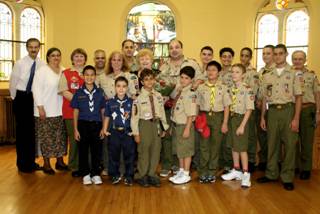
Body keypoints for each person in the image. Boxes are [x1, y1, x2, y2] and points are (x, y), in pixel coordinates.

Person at [257, 44, 303, 191]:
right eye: (275, 54)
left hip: (288, 110)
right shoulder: (267, 75)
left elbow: (299, 97)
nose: (277, 56)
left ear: (286, 54)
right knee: (272, 144)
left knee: (289, 145)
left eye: (280, 54)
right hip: (272, 112)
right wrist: (263, 117)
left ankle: (287, 177)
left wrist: (296, 118)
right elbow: (264, 98)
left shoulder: (294, 73)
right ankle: (271, 174)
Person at [158, 39, 202, 178]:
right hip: (168, 105)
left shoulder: (191, 63)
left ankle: (180, 167)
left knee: (183, 137)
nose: (174, 50)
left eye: (177, 47)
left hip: (185, 105)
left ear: (182, 48)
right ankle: (166, 164)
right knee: (168, 136)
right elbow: (159, 83)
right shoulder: (163, 66)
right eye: (171, 48)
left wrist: (193, 87)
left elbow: (201, 79)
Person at [9, 38, 45, 173]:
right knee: (22, 133)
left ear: (39, 48)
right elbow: (13, 82)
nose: (34, 49)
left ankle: (31, 162)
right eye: (31, 47)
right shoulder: (20, 63)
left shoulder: (42, 64)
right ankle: (22, 164)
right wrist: (15, 99)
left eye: (36, 47)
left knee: (31, 132)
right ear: (27, 48)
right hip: (22, 97)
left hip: (34, 98)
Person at [32, 47, 68, 175]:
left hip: (60, 110)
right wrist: (40, 107)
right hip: (45, 110)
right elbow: (36, 90)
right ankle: (46, 163)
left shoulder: (64, 70)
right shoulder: (42, 71)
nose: (56, 58)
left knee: (60, 138)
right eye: (53, 55)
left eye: (58, 55)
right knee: (46, 138)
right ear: (48, 57)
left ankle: (60, 161)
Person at [131, 68, 168, 187]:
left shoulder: (158, 95)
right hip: (144, 125)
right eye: (146, 80)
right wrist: (136, 133)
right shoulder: (138, 98)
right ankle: (142, 175)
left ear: (154, 80)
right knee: (144, 150)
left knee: (156, 150)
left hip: (156, 124)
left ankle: (152, 174)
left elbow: (161, 112)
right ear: (141, 82)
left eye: (151, 79)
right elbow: (134, 118)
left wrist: (164, 127)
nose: (149, 82)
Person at [196, 61, 231, 183]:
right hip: (204, 117)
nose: (211, 72)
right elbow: (197, 105)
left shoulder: (224, 87)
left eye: (214, 70)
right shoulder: (201, 87)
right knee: (204, 145)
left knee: (215, 145)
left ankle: (212, 171)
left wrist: (225, 123)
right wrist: (197, 120)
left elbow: (227, 106)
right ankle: (203, 171)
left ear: (219, 73)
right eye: (209, 69)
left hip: (218, 117)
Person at [221, 63, 254, 188]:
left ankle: (246, 174)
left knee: (242, 148)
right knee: (234, 146)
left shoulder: (247, 89)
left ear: (243, 75)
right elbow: (228, 106)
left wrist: (242, 126)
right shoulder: (230, 88)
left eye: (237, 72)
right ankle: (236, 170)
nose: (234, 74)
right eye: (232, 72)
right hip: (232, 119)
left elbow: (249, 109)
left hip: (241, 119)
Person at [71, 65, 105, 185]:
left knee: (96, 150)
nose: (89, 77)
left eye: (92, 75)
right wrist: (75, 129)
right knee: (83, 150)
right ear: (83, 76)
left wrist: (103, 128)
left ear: (95, 76)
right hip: (83, 125)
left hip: (97, 124)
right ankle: (85, 173)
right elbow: (75, 111)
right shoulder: (78, 93)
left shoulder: (100, 92)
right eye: (87, 75)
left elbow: (102, 110)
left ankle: (95, 173)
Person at [292, 50, 320, 180]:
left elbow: (317, 94)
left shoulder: (311, 76)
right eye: (295, 59)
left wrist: (318, 112)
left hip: (308, 109)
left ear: (305, 60)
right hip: (292, 110)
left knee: (307, 141)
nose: (297, 61)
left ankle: (306, 168)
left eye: (300, 59)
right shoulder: (288, 75)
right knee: (292, 141)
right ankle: (295, 166)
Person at [58, 48, 86, 177]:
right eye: (76, 56)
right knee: (74, 139)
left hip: (87, 113)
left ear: (85, 59)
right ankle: (74, 165)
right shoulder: (66, 73)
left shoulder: (89, 72)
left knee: (86, 139)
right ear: (72, 59)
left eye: (81, 56)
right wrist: (79, 101)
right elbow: (64, 90)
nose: (79, 59)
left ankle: (86, 164)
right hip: (70, 111)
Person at [102, 76, 135, 186]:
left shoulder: (132, 102)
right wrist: (105, 129)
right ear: (115, 87)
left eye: (124, 86)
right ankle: (114, 175)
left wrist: (134, 131)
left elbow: (135, 118)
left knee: (129, 155)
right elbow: (107, 116)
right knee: (113, 155)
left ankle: (129, 176)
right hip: (114, 132)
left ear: (127, 88)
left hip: (128, 132)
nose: (121, 89)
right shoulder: (110, 102)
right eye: (118, 86)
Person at [169, 66, 197, 185]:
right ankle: (181, 170)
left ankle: (186, 173)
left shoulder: (190, 93)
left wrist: (187, 128)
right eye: (182, 77)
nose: (183, 80)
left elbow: (191, 113)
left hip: (185, 125)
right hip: (177, 124)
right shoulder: (182, 91)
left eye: (186, 78)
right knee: (180, 150)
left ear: (191, 80)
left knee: (186, 151)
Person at [240, 47, 259, 172]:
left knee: (251, 134)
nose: (244, 58)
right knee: (239, 135)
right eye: (242, 55)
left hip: (248, 108)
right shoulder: (235, 70)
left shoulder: (253, 73)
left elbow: (254, 91)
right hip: (236, 108)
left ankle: (251, 160)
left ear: (250, 57)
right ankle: (240, 162)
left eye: (247, 56)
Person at [256, 45, 275, 171]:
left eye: (268, 53)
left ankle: (272, 162)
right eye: (263, 53)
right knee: (262, 135)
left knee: (273, 137)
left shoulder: (276, 71)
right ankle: (263, 160)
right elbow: (259, 89)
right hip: (260, 106)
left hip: (272, 107)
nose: (265, 56)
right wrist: (258, 100)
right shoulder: (261, 71)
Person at [218, 47, 235, 172]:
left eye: (229, 56)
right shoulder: (216, 72)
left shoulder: (235, 72)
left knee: (229, 138)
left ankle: (229, 164)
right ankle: (220, 162)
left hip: (231, 109)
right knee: (219, 137)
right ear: (220, 58)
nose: (226, 59)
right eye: (224, 56)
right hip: (218, 110)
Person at [93, 49, 108, 176]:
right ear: (94, 59)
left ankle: (104, 163)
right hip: (93, 112)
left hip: (105, 111)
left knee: (104, 138)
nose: (100, 60)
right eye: (97, 58)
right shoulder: (90, 73)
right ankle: (95, 163)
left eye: (102, 58)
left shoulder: (108, 73)